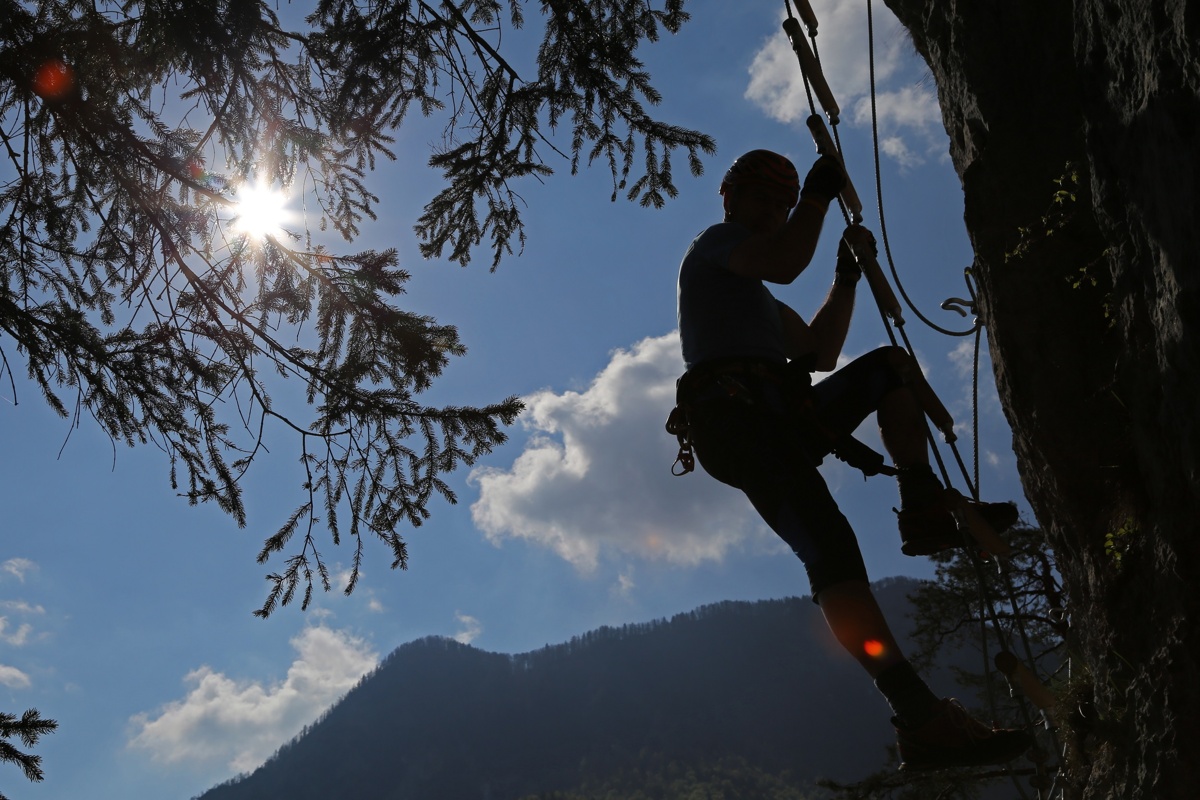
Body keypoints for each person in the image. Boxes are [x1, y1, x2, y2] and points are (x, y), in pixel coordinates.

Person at [673, 149, 1032, 771]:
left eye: (779, 205)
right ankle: (921, 717)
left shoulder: (754, 298)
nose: (770, 214)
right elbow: (785, 263)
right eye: (760, 200)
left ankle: (922, 506)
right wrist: (815, 197)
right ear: (729, 198)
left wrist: (844, 278)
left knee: (890, 366)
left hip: (778, 420)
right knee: (832, 550)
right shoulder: (714, 246)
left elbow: (817, 354)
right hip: (738, 424)